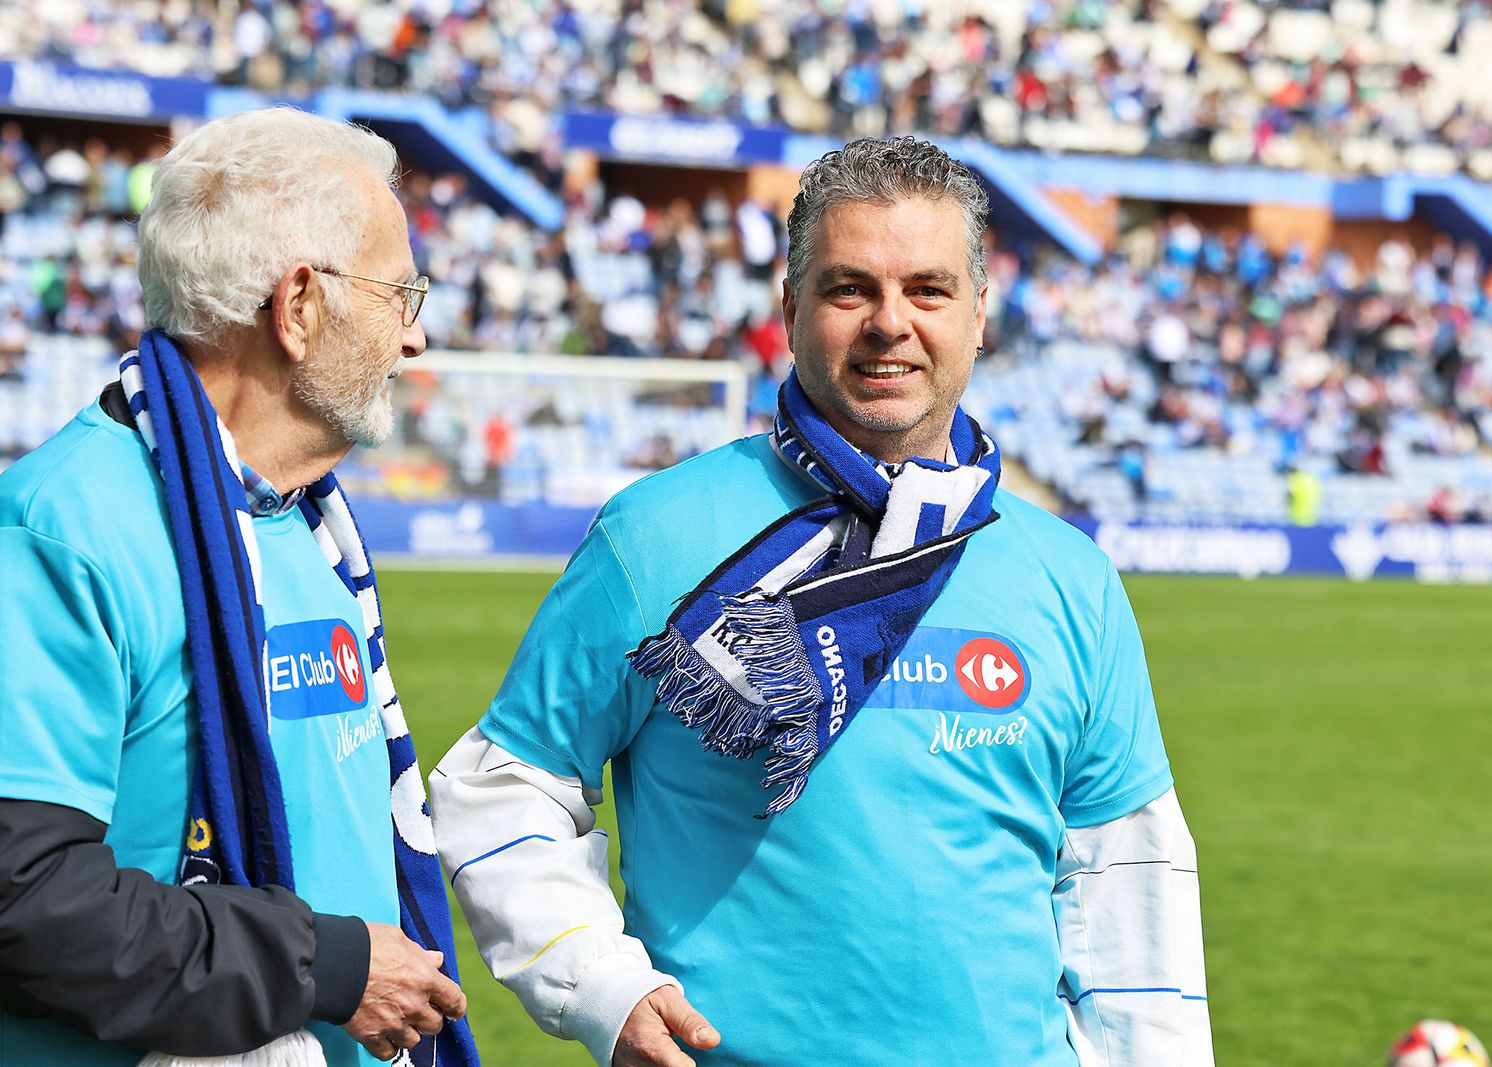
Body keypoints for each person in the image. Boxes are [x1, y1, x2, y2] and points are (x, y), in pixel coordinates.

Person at [430, 136, 1211, 1066]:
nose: (891, 322)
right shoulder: (655, 536)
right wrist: (602, 984)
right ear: (791, 309)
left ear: (979, 313)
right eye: (850, 289)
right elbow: (502, 787)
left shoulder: (1069, 574)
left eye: (928, 290)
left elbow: (1128, 879)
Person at [0, 109, 477, 1066]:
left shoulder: (307, 523)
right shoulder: (63, 528)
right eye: (400, 293)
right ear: (298, 305)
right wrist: (322, 966)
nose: (416, 336)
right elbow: (25, 898)